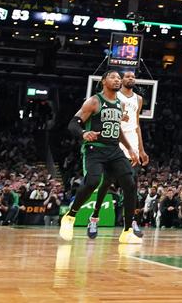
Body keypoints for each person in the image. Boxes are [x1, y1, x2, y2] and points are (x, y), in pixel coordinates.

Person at [58, 71, 142, 244]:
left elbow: (117, 130)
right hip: (94, 149)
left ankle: (127, 231)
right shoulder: (94, 101)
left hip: (114, 149)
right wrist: (83, 133)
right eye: (113, 77)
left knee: (130, 183)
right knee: (93, 182)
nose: (117, 80)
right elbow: (73, 123)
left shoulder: (119, 104)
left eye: (119, 78)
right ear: (104, 81)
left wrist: (130, 149)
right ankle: (70, 217)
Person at [89, 70, 148, 238]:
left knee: (132, 184)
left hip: (133, 146)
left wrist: (141, 149)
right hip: (114, 144)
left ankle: (131, 221)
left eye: (133, 76)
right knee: (107, 182)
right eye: (127, 76)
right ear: (120, 80)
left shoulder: (138, 99)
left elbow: (137, 125)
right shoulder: (113, 97)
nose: (131, 78)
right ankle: (94, 217)